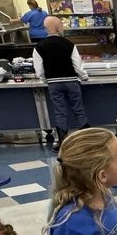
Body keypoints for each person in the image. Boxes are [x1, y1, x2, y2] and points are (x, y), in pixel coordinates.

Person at [32, 16, 89, 151]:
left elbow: (39, 69)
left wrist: (44, 79)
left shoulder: (39, 47)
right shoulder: (69, 44)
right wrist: (84, 77)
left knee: (60, 112)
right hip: (71, 82)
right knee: (79, 110)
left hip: (53, 83)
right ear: (58, 28)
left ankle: (62, 142)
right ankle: (87, 140)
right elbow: (77, 65)